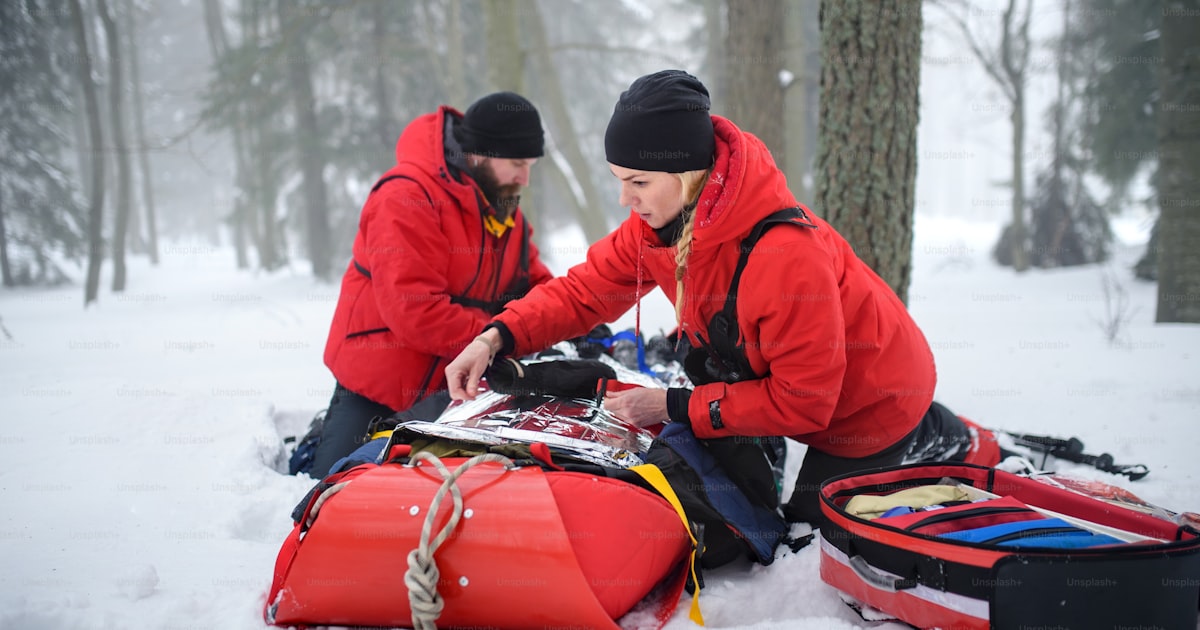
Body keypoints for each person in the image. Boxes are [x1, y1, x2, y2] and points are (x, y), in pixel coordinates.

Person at [445, 70, 950, 526]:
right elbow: (583, 293)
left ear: (685, 175)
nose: (626, 199)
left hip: (871, 409)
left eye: (638, 182)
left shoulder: (786, 258)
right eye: (620, 181)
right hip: (802, 390)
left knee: (802, 545)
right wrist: (495, 338)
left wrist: (672, 404)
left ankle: (941, 437)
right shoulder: (660, 225)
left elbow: (804, 402)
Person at [309, 91, 555, 478]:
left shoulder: (505, 212)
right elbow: (416, 310)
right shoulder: (406, 197)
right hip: (378, 390)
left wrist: (565, 321)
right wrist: (501, 337)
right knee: (330, 488)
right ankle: (319, 440)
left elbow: (537, 288)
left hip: (458, 392)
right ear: (479, 154)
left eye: (530, 166)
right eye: (517, 163)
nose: (524, 178)